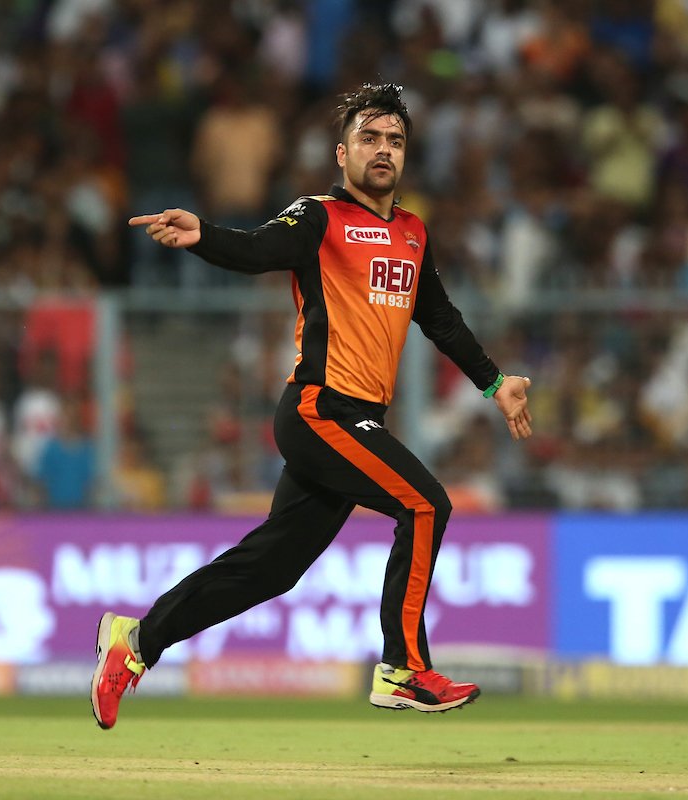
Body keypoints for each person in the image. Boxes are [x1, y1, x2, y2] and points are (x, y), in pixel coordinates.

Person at [91, 83, 533, 729]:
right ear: (342, 153)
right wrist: (204, 233)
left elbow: (439, 317)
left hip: (355, 421)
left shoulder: (413, 232)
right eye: (368, 138)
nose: (383, 150)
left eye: (394, 141)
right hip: (321, 410)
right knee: (425, 504)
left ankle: (134, 644)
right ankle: (404, 669)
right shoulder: (319, 217)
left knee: (271, 570)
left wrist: (495, 384)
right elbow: (257, 249)